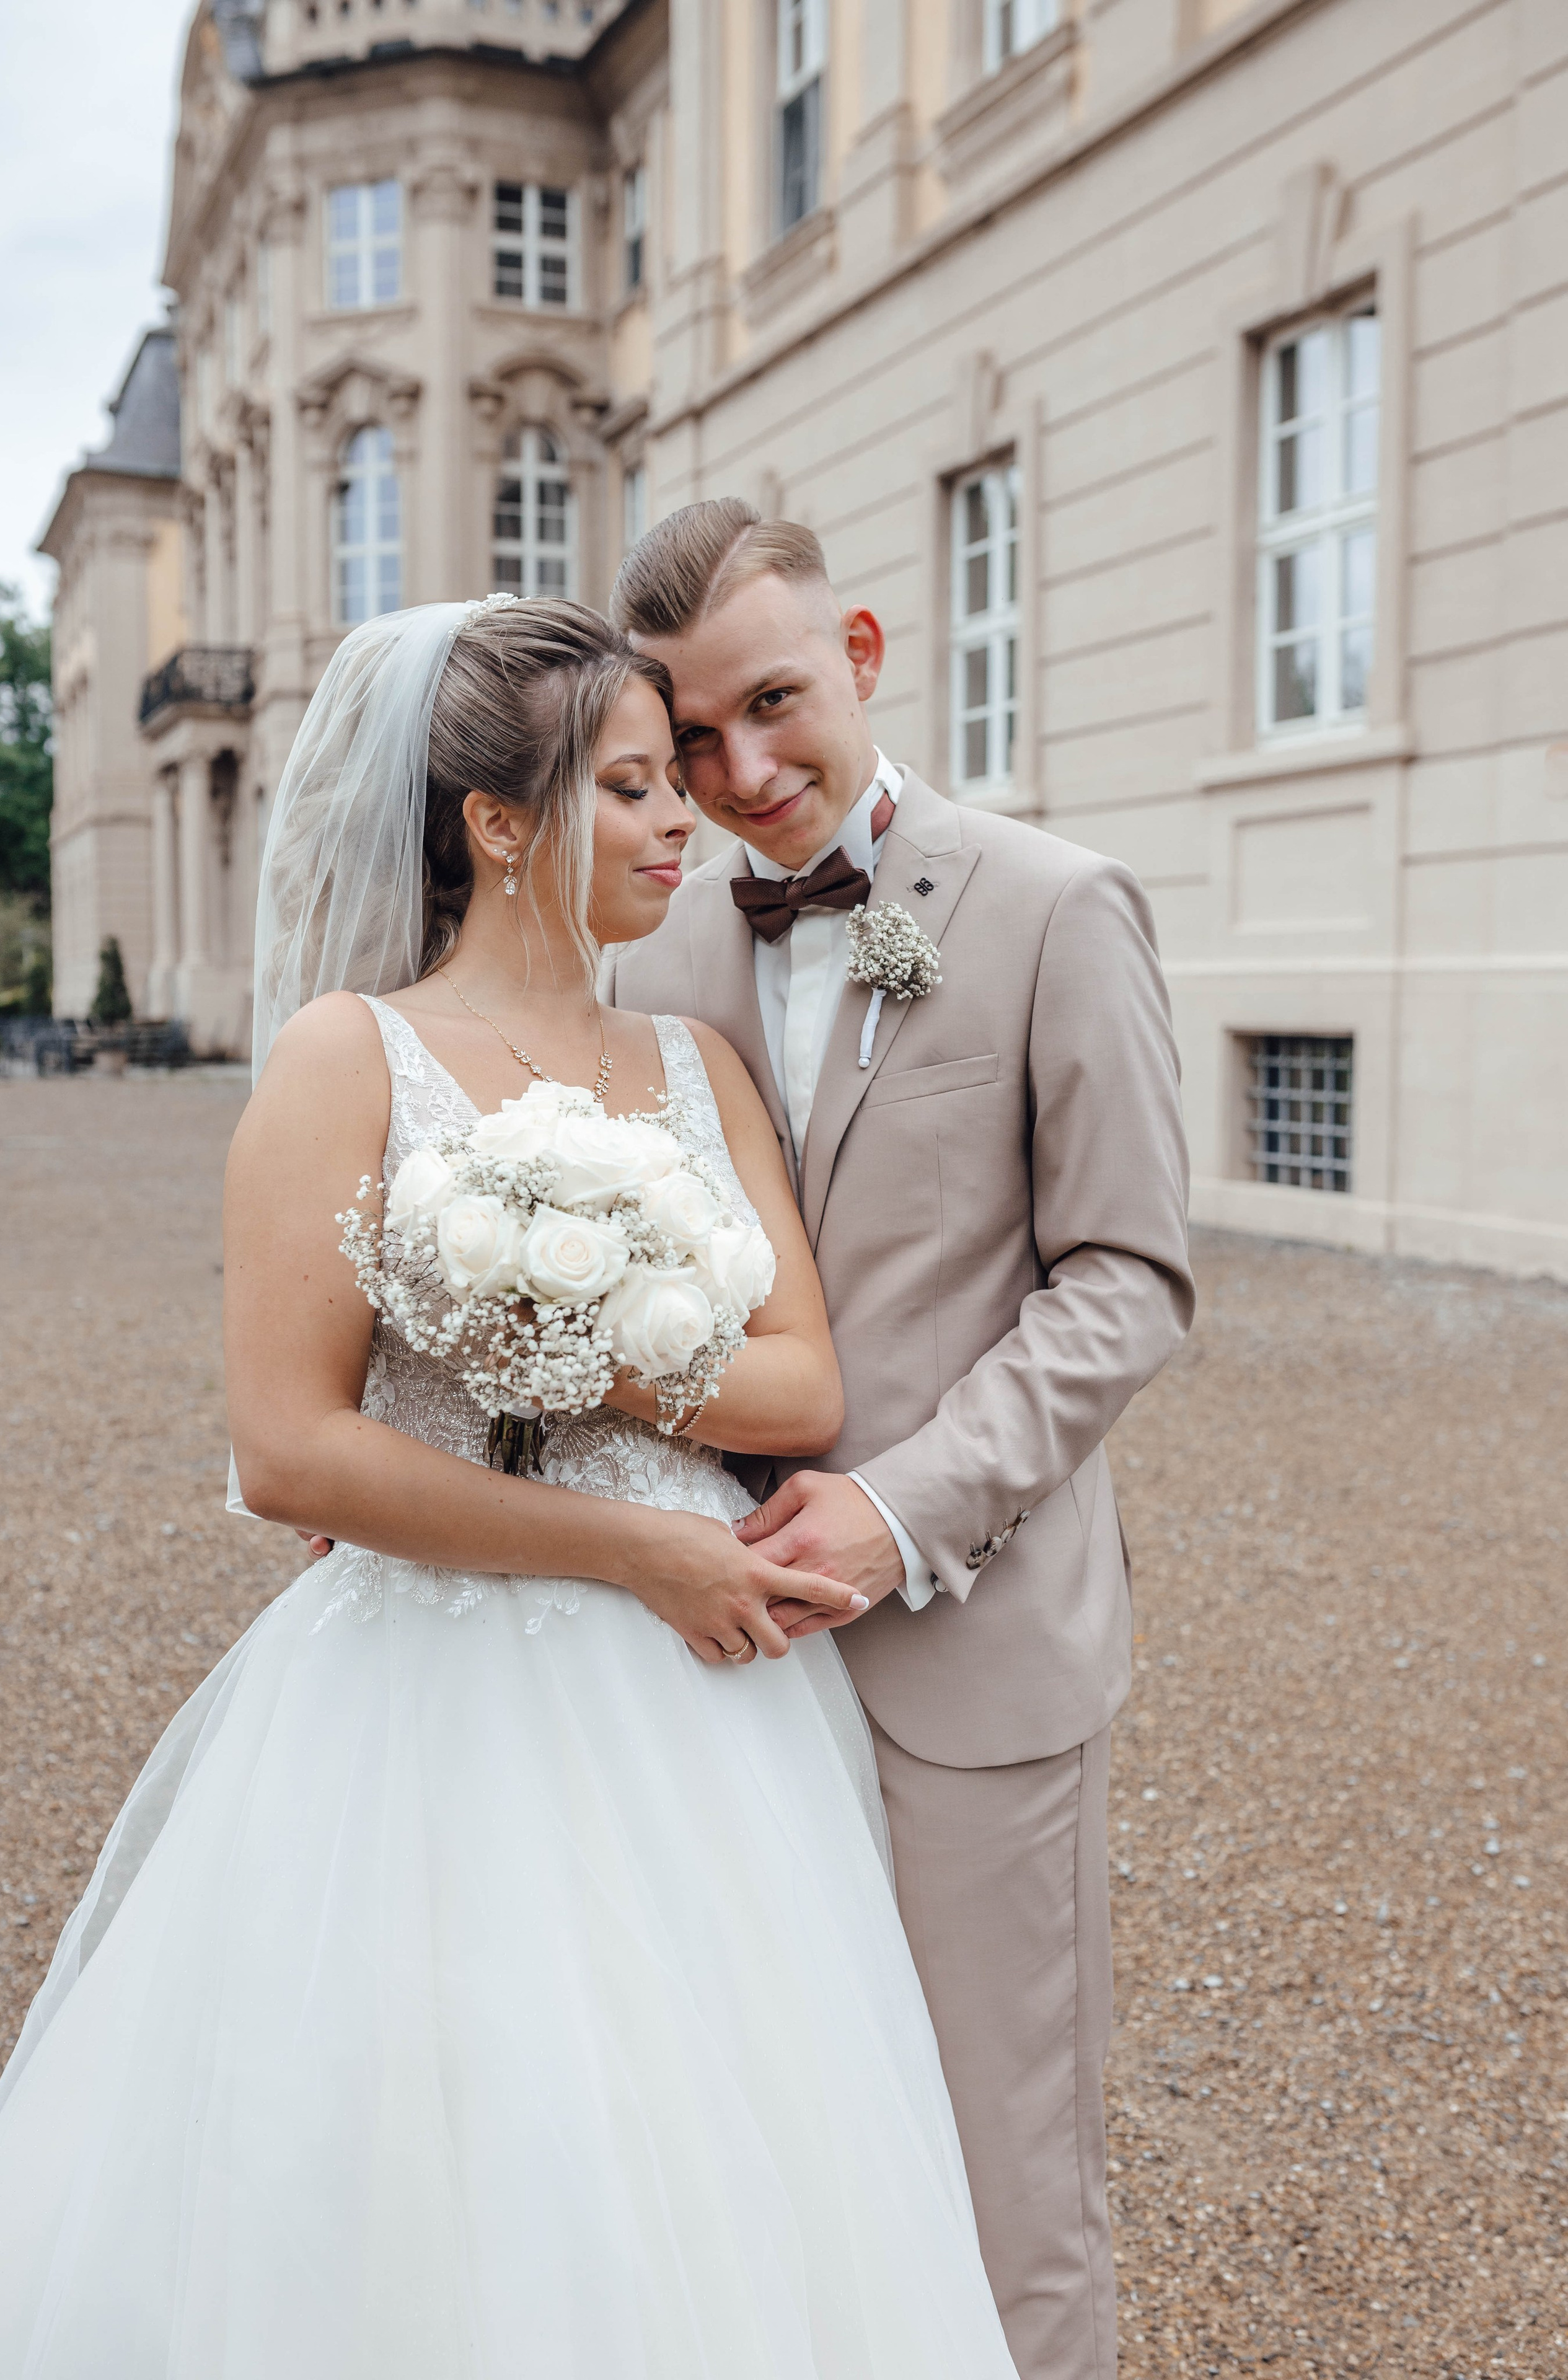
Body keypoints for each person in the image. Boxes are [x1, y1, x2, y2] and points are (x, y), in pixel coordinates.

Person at [0, 597, 1020, 2379]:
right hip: (428, 1690)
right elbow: (291, 1448)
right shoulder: (343, 1058)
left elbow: (805, 1378)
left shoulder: (697, 1066)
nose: (680, 816)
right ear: (498, 823)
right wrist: (634, 1538)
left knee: (717, 2153)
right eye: (629, 785)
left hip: (701, 1723)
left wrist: (566, 1332)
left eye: (671, 779)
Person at [609, 503, 1196, 2380]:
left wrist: (898, 1507)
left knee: (1004, 2175)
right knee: (773, 2143)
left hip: (978, 1646)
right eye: (692, 742)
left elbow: (1127, 1279)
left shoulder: (1051, 904)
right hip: (712, 1656)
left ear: (862, 655)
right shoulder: (657, 950)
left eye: (775, 704)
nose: (743, 774)